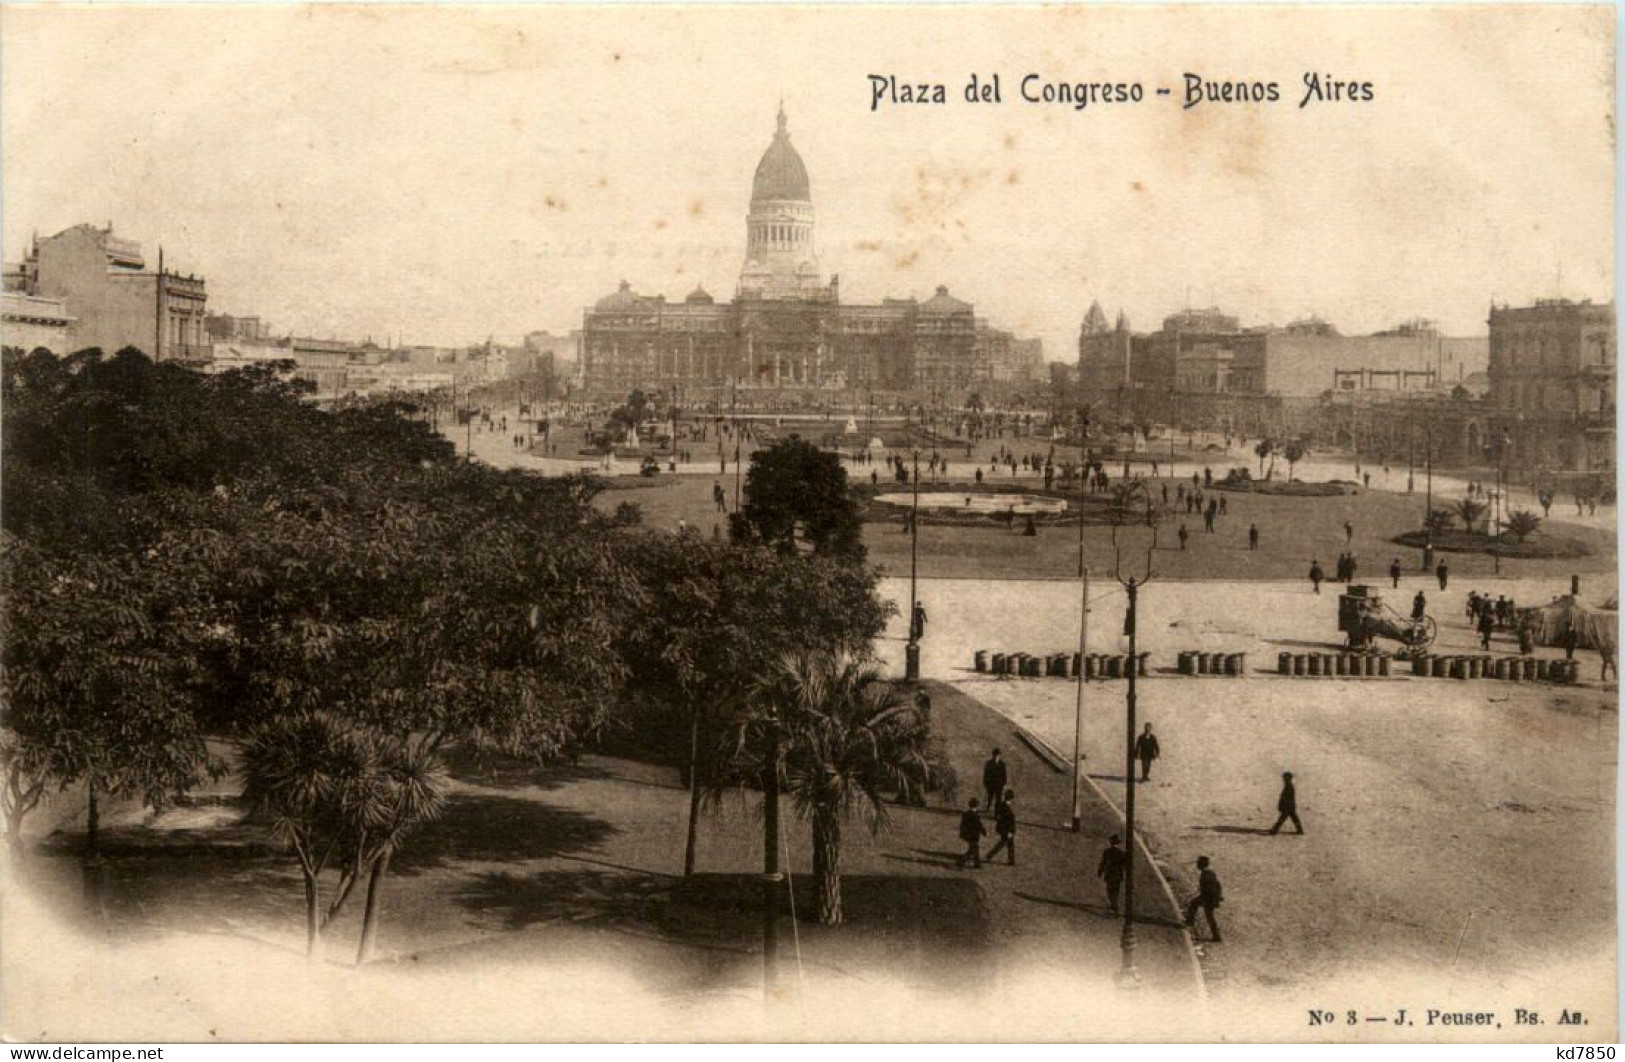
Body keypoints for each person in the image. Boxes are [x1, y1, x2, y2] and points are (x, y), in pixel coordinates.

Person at [1183, 856, 1223, 943]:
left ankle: (1216, 936)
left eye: (1198, 863)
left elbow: (1210, 889)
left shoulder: (1206, 875)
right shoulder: (1209, 873)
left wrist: (1211, 899)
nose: (1197, 865)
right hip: (1209, 897)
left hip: (1209, 898)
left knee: (1209, 916)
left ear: (1201, 864)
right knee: (1194, 903)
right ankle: (1190, 921)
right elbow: (1217, 885)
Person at [1098, 835, 1128, 915]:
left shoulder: (1107, 851)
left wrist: (1100, 872)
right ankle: (1113, 905)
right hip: (1118, 875)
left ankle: (1114, 907)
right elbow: (1125, 865)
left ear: (1111, 843)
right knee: (1115, 891)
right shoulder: (1122, 853)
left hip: (1110, 874)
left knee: (1109, 890)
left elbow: (1103, 863)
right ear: (1118, 843)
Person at [986, 788, 1017, 866]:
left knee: (1002, 843)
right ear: (1011, 798)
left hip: (1003, 829)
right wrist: (1010, 831)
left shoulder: (1002, 805)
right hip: (1006, 829)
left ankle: (989, 855)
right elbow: (1008, 821)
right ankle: (1011, 861)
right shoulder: (1006, 807)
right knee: (1009, 844)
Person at [956, 799, 986, 870]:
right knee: (972, 851)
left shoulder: (967, 813)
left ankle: (977, 863)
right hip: (973, 835)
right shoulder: (975, 815)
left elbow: (962, 825)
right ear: (976, 806)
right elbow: (979, 826)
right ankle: (961, 862)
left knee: (975, 848)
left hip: (967, 835)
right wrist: (985, 833)